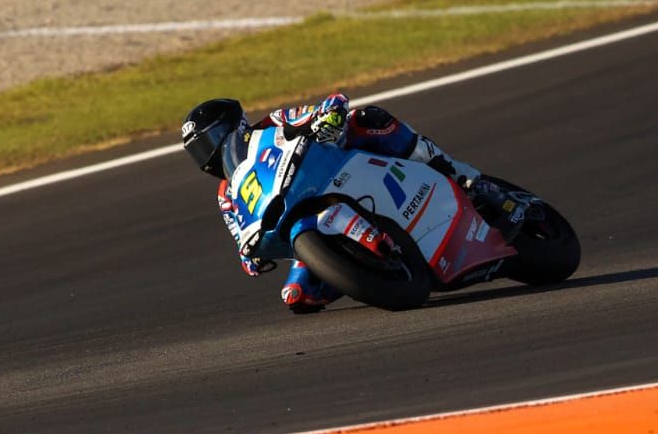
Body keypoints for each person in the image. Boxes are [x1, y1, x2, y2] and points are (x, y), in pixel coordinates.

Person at [180, 93, 529, 313]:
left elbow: (329, 105)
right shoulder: (227, 194)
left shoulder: (272, 125)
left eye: (207, 140)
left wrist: (327, 119)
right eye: (198, 148)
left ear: (232, 126)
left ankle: (464, 177)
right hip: (302, 220)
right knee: (296, 296)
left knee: (368, 120)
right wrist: (250, 258)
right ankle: (369, 270)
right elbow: (240, 235)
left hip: (339, 167)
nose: (206, 154)